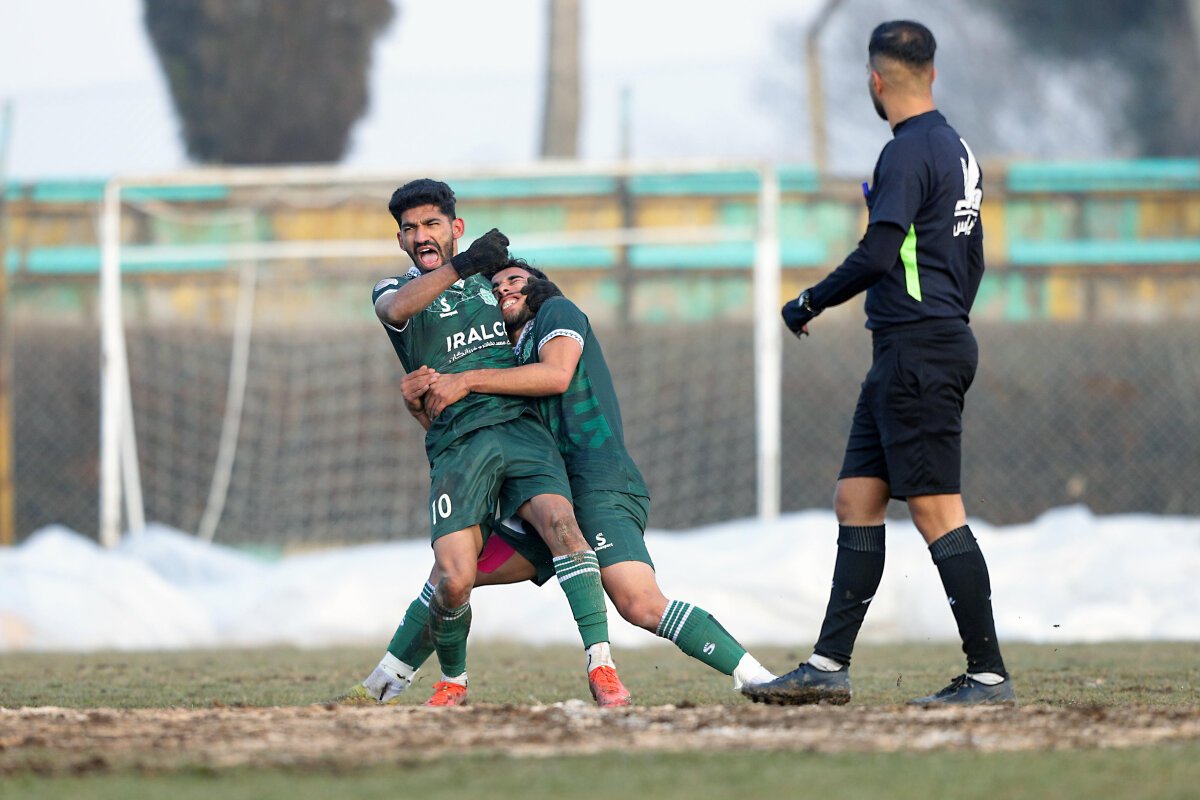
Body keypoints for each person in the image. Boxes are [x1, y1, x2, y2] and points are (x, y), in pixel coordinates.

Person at [742, 20, 1015, 707]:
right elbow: (974, 257)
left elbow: (877, 253)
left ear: (874, 80)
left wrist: (808, 301)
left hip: (917, 350)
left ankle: (987, 675)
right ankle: (827, 666)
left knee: (937, 511)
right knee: (857, 499)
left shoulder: (904, 152)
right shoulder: (958, 150)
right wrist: (946, 319)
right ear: (932, 72)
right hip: (914, 347)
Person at [356, 259, 775, 701]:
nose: (504, 289)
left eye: (515, 280)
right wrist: (421, 404)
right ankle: (383, 683)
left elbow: (556, 376)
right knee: (452, 575)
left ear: (538, 285)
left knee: (640, 604)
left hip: (595, 483)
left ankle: (757, 677)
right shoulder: (505, 357)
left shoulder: (555, 311)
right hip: (544, 489)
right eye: (495, 287)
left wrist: (464, 380)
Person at [360, 178, 628, 708]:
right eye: (410, 228)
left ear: (455, 227)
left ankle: (603, 668)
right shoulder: (394, 289)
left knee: (561, 523)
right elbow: (395, 311)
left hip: (519, 426)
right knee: (453, 578)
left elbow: (539, 323)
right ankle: (450, 682)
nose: (421, 235)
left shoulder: (491, 284)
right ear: (400, 240)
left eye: (432, 223)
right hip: (459, 443)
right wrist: (463, 266)